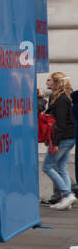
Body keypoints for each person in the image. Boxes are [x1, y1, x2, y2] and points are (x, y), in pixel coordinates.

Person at [41, 71, 76, 209]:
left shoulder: (61, 100)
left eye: (49, 81)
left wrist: (54, 143)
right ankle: (65, 200)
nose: (47, 83)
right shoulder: (64, 97)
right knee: (61, 168)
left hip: (63, 138)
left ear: (56, 83)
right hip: (69, 137)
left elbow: (60, 124)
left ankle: (67, 194)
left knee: (47, 167)